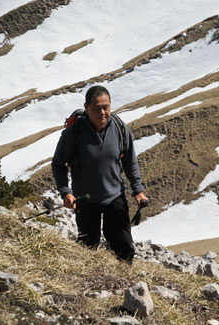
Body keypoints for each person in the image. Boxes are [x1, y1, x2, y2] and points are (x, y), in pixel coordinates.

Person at [51, 85, 149, 262]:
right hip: (85, 199)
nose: (102, 112)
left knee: (124, 246)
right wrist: (66, 192)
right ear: (87, 107)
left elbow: (129, 161)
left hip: (115, 196)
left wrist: (138, 190)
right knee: (87, 247)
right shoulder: (74, 133)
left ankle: (124, 282)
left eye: (106, 107)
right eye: (97, 108)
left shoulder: (120, 128)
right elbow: (58, 164)